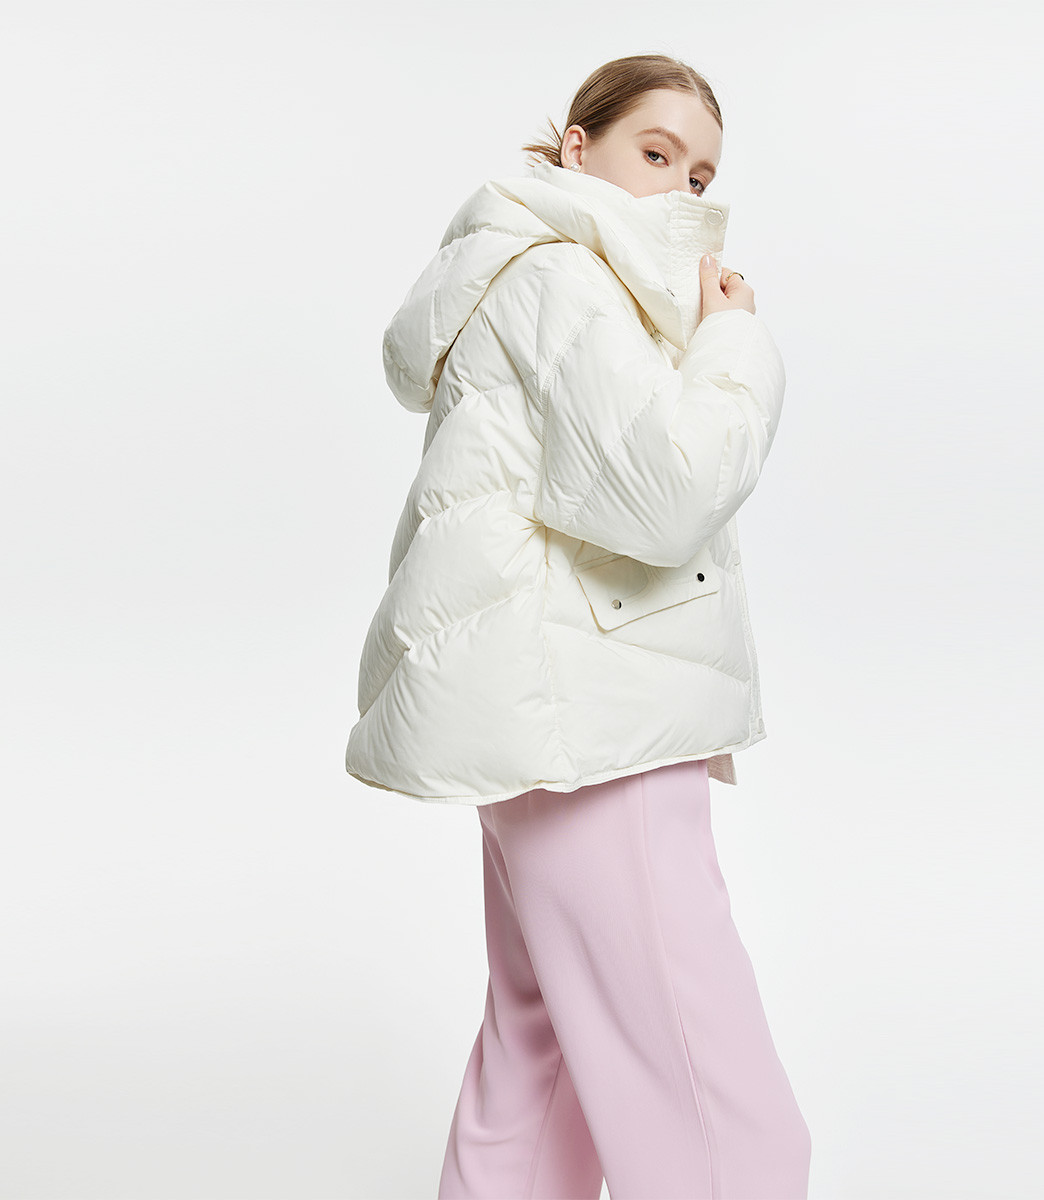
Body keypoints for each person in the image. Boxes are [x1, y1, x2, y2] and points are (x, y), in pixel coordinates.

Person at [346, 53, 811, 1200]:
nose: (679, 190)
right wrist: (734, 341)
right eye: (654, 153)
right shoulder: (565, 276)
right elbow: (670, 491)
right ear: (576, 147)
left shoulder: (527, 271)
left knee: (538, 1063)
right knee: (715, 1103)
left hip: (547, 713)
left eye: (699, 175)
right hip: (596, 720)